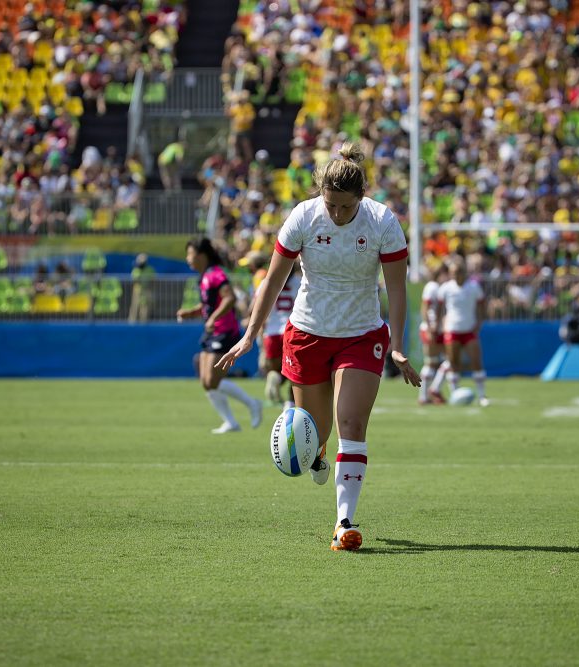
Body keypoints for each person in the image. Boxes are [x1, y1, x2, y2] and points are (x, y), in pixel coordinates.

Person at [215, 143, 421, 552]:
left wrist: (397, 345)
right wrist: (250, 334)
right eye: (331, 205)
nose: (337, 215)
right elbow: (272, 282)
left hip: (362, 334)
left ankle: (343, 522)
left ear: (361, 198)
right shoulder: (304, 217)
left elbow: (396, 289)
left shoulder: (382, 221)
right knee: (317, 432)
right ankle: (317, 453)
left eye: (345, 208)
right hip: (307, 333)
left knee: (352, 425)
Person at [176, 238, 263, 434]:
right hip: (213, 331)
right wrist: (191, 312)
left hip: (225, 331)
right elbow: (209, 305)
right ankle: (231, 422)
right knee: (206, 381)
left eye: (190, 254)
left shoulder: (216, 274)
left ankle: (252, 404)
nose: (188, 259)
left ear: (201, 255)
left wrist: (213, 317)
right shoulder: (205, 276)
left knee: (212, 381)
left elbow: (230, 298)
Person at [437, 256, 489, 407]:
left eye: (459, 271)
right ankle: (455, 393)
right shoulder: (446, 288)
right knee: (453, 363)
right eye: (453, 272)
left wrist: (479, 322)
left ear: (465, 272)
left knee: (476, 362)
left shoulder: (473, 287)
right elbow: (439, 308)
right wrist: (440, 323)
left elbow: (482, 305)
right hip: (452, 329)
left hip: (469, 329)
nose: (456, 274)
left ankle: (482, 396)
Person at [262, 262, 301, 409]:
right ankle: (290, 403)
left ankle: (276, 378)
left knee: (276, 369)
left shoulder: (269, 281)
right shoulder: (299, 282)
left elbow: (256, 305)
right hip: (291, 330)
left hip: (271, 332)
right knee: (295, 371)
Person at [417, 263, 449, 405]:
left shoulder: (438, 287)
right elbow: (425, 308)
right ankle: (426, 394)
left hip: (437, 328)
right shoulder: (432, 287)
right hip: (431, 329)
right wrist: (430, 327)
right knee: (432, 362)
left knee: (439, 362)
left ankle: (430, 392)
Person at [128, 253, 156, 323]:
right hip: (137, 291)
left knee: (145, 309)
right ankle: (131, 325)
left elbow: (153, 280)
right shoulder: (136, 269)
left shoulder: (150, 269)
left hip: (147, 291)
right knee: (134, 309)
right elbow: (133, 280)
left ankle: (144, 325)